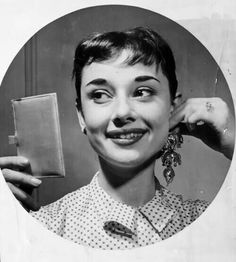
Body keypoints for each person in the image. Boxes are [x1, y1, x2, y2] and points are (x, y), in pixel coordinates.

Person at [0, 27, 235, 249]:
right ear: (81, 115)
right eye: (100, 95)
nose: (122, 112)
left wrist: (231, 141)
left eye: (142, 92)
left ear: (172, 109)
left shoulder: (211, 223)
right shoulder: (44, 227)